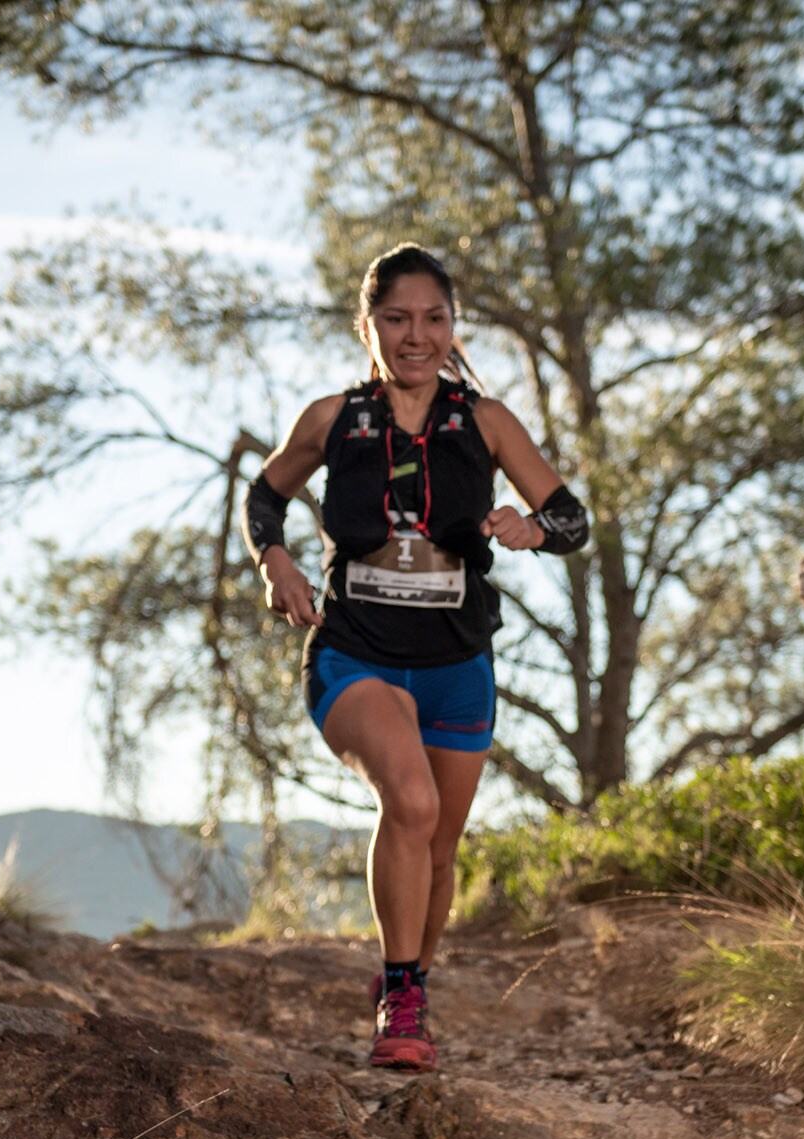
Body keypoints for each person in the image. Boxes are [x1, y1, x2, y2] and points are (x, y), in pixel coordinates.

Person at [241, 243, 589, 1071]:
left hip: (457, 661)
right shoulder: (333, 419)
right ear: (368, 326)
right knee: (410, 798)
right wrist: (276, 561)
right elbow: (266, 493)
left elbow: (572, 520)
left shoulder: (488, 422)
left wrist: (531, 529)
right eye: (396, 318)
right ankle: (402, 1001)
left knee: (437, 847)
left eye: (433, 318)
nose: (416, 335)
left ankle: (411, 978)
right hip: (354, 653)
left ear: (452, 326)